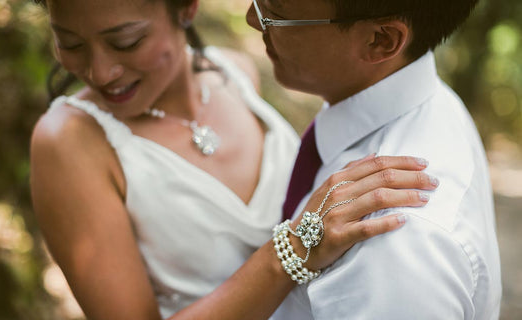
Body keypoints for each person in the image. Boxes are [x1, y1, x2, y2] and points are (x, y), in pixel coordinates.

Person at [29, 0, 439, 319]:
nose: (100, 72)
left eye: (126, 41)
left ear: (187, 7)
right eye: (70, 43)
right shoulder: (67, 143)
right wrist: (292, 251)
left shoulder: (236, 71)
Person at [246, 0, 502, 319]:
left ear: (380, 40)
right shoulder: (425, 101)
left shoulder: (397, 245)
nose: (253, 20)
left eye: (277, 14)